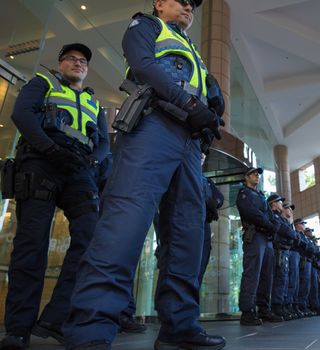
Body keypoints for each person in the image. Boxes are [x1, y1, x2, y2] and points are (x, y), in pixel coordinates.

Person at [63, 0, 227, 349]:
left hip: (188, 141)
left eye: (193, 5)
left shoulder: (191, 48)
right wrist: (192, 105)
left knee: (187, 233)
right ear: (158, 3)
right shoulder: (147, 26)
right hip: (154, 125)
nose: (188, 7)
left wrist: (207, 120)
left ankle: (180, 328)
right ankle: (90, 330)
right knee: (125, 222)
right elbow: (146, 67)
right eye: (181, 0)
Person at [0, 43, 109, 350]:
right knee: (31, 244)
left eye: (83, 61)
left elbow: (103, 144)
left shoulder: (93, 102)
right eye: (71, 59)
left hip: (78, 170)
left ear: (87, 70)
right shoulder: (43, 82)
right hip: (41, 162)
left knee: (90, 239)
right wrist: (50, 148)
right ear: (61, 64)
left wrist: (91, 162)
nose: (78, 63)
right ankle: (18, 328)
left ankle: (56, 317)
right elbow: (23, 115)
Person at [236, 167, 277, 326]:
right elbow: (251, 212)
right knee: (252, 273)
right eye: (253, 174)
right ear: (246, 177)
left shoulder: (260, 195)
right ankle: (247, 311)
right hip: (254, 236)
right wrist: (269, 224)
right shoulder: (244, 194)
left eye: (258, 174)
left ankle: (264, 309)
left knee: (267, 275)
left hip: (265, 237)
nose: (257, 176)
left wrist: (272, 225)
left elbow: (270, 215)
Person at [199, 152, 224, 286]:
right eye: (199, 152)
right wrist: (207, 202)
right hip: (188, 223)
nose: (202, 156)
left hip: (204, 225)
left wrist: (213, 203)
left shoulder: (206, 180)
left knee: (202, 262)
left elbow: (220, 197)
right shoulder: (183, 172)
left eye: (203, 154)